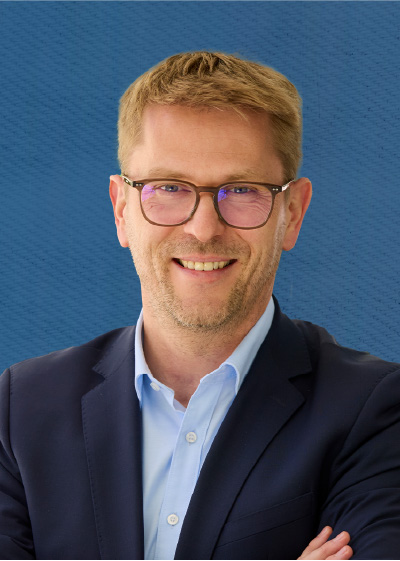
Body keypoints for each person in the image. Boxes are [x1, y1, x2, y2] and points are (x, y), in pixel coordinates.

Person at [0, 51, 399, 561]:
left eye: (242, 190)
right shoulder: (21, 408)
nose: (204, 228)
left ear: (293, 213)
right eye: (169, 187)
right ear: (122, 210)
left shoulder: (376, 410)